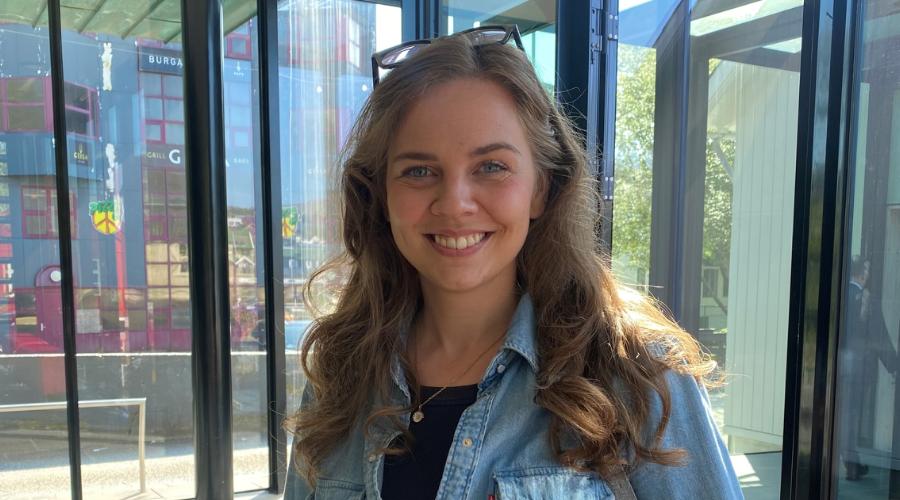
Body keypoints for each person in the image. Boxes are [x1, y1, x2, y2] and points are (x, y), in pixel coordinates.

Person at [284, 26, 741, 499]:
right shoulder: (342, 372)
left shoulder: (638, 375)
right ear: (381, 195)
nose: (454, 203)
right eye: (418, 171)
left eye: (491, 167)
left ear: (541, 188)